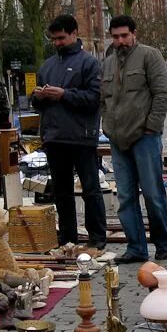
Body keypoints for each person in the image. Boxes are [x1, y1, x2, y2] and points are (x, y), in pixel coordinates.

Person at [100, 14, 167, 263]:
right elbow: (104, 99)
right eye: (115, 36)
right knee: (125, 196)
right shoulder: (108, 62)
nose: (120, 40)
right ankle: (136, 248)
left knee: (153, 193)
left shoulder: (150, 56)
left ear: (134, 33)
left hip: (145, 136)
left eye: (124, 35)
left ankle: (163, 244)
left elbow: (163, 93)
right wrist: (107, 125)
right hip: (118, 138)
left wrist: (152, 127)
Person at [33, 14, 106, 249]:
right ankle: (67, 238)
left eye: (61, 38)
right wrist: (38, 97)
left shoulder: (89, 63)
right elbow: (35, 104)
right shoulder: (47, 65)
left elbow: (94, 99)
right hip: (54, 137)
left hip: (81, 136)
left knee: (90, 189)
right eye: (53, 39)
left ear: (74, 34)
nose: (57, 43)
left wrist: (64, 94)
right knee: (62, 193)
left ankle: (97, 237)